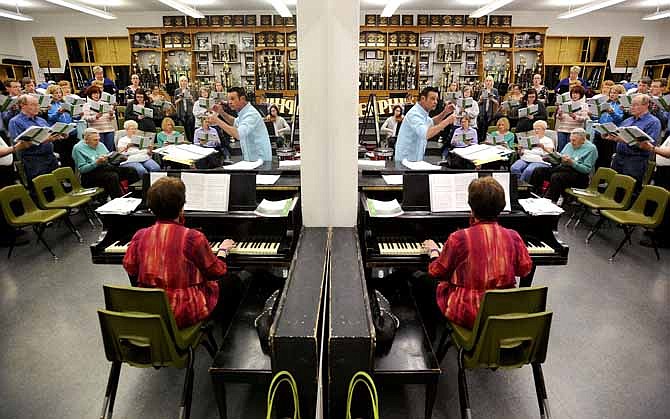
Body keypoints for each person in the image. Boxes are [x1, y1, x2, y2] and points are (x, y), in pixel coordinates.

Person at [415, 177, 532, 336]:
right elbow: (525, 270)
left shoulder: (459, 238)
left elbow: (437, 272)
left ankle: (430, 338)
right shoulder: (513, 236)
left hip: (469, 312)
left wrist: (434, 252)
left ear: (471, 207)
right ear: (501, 207)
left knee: (421, 279)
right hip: (502, 310)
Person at [122, 176, 237, 329]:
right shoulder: (192, 237)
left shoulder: (140, 235)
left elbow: (130, 268)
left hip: (152, 307)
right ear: (181, 207)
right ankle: (225, 341)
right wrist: (222, 252)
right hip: (183, 311)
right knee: (234, 282)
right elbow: (216, 271)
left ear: (152, 208)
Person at [529, 128, 598, 203]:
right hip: (563, 169)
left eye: (574, 140)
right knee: (538, 171)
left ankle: (549, 201)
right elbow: (559, 158)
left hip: (579, 176)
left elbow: (586, 170)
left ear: (583, 140)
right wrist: (551, 158)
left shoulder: (591, 149)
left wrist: (572, 163)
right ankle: (532, 195)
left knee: (556, 176)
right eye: (570, 140)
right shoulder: (569, 145)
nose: (571, 142)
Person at [605, 94, 660, 186]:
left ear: (646, 105)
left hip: (635, 160)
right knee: (612, 186)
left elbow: (649, 145)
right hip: (619, 158)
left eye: (635, 105)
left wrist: (624, 140)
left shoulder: (653, 122)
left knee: (627, 189)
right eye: (631, 105)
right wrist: (611, 136)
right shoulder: (628, 120)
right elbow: (618, 134)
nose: (632, 107)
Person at [8, 95, 64, 182]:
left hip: (50, 157)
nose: (37, 107)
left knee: (57, 185)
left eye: (38, 105)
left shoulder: (41, 120)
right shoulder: (15, 122)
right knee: (42, 188)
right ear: (23, 105)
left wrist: (59, 135)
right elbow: (18, 145)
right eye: (33, 105)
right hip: (34, 160)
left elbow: (50, 134)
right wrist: (43, 140)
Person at [208, 87, 272, 162]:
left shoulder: (251, 114)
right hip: (252, 159)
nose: (229, 102)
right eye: (228, 99)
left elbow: (238, 134)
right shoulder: (244, 112)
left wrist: (217, 120)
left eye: (232, 99)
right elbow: (235, 122)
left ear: (242, 99)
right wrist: (221, 112)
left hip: (260, 160)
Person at [72, 128, 139, 198]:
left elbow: (109, 159)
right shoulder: (78, 148)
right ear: (86, 140)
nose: (98, 142)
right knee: (112, 176)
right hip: (89, 175)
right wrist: (96, 163)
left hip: (105, 168)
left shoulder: (100, 144)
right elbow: (82, 169)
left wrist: (119, 159)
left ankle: (136, 196)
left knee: (131, 170)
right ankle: (118, 201)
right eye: (95, 140)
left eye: (98, 139)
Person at [394, 86, 456, 161]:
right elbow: (426, 134)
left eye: (436, 99)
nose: (436, 102)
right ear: (423, 99)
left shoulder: (422, 112)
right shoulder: (414, 114)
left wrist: (445, 112)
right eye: (433, 99)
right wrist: (447, 121)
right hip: (406, 160)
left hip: (414, 159)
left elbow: (432, 122)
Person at [639, 137, 670, 249]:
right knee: (661, 204)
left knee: (667, 206)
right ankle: (657, 231)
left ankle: (663, 239)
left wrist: (651, 148)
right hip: (663, 171)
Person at [0, 134, 31, 247]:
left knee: (9, 202)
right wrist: (15, 148)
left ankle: (11, 230)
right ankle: (5, 237)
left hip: (6, 171)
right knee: (2, 205)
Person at [592, 84, 625, 169]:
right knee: (597, 157)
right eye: (611, 93)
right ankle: (596, 175)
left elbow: (620, 120)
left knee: (607, 158)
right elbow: (599, 117)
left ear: (620, 95)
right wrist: (592, 114)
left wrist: (612, 113)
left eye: (615, 93)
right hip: (600, 133)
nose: (612, 95)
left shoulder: (621, 106)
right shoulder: (605, 103)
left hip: (611, 135)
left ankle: (604, 179)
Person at [46, 84, 78, 169]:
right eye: (56, 93)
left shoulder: (64, 103)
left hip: (70, 133)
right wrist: (58, 113)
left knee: (72, 155)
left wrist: (78, 114)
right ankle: (66, 177)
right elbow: (49, 118)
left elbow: (71, 117)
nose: (59, 95)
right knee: (63, 157)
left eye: (60, 92)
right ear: (51, 94)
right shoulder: (49, 106)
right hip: (58, 134)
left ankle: (74, 174)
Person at [83, 85, 117, 151]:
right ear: (90, 95)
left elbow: (112, 118)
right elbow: (86, 118)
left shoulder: (105, 104)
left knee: (109, 149)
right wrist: (96, 117)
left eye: (98, 93)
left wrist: (111, 114)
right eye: (94, 93)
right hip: (96, 131)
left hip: (109, 129)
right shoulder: (87, 105)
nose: (96, 95)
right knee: (100, 150)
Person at [555, 85, 588, 152]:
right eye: (573, 93)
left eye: (577, 93)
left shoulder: (584, 105)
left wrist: (574, 116)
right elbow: (558, 117)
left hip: (574, 131)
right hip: (562, 129)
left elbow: (584, 118)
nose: (574, 95)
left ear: (580, 95)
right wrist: (560, 114)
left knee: (571, 150)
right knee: (561, 149)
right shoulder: (565, 104)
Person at [174, 76, 196, 141]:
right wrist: (180, 98)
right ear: (179, 82)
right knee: (182, 130)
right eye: (182, 81)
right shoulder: (177, 91)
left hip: (190, 113)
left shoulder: (191, 90)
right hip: (181, 113)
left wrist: (191, 98)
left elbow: (195, 103)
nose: (183, 82)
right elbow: (175, 102)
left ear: (187, 82)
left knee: (191, 130)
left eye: (185, 81)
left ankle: (191, 142)